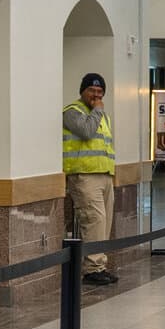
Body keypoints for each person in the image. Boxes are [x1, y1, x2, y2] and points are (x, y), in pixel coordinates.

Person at [62, 72, 118, 286]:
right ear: (82, 91)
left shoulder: (102, 116)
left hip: (104, 175)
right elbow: (86, 132)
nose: (96, 95)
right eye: (92, 91)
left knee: (104, 223)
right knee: (93, 221)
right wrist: (97, 111)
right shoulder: (72, 112)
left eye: (100, 92)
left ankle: (100, 266)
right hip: (84, 176)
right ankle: (92, 269)